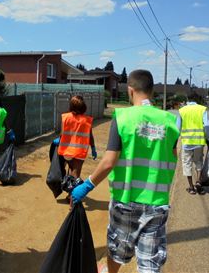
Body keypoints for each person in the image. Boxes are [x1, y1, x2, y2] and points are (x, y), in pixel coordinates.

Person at [71, 70, 180, 273]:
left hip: (125, 200)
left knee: (117, 249)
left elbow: (109, 161)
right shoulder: (169, 121)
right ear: (152, 91)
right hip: (157, 202)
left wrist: (86, 185)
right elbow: (173, 157)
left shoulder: (122, 117)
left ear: (130, 91)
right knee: (149, 262)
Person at [54, 95, 97, 181]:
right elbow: (90, 136)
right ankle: (72, 194)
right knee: (76, 173)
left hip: (66, 151)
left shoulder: (66, 117)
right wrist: (93, 148)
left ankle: (70, 191)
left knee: (71, 170)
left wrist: (59, 140)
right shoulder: (86, 120)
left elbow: (62, 133)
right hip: (79, 152)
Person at [177, 93, 209, 195]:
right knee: (198, 162)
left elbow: (177, 128)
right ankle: (198, 182)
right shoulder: (202, 109)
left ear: (187, 99)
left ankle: (191, 187)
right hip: (199, 142)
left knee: (187, 163)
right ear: (197, 100)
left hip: (187, 143)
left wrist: (174, 142)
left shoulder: (182, 110)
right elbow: (207, 125)